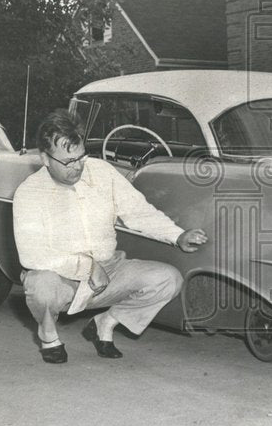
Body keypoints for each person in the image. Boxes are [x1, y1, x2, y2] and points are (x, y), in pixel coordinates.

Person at [12, 110, 208, 364]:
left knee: (168, 279)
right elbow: (32, 254)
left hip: (110, 272)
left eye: (81, 157)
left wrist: (177, 235)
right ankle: (48, 335)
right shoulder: (29, 192)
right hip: (62, 279)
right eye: (68, 161)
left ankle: (105, 323)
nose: (78, 167)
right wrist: (86, 266)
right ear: (45, 159)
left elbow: (138, 212)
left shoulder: (102, 172)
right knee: (41, 287)